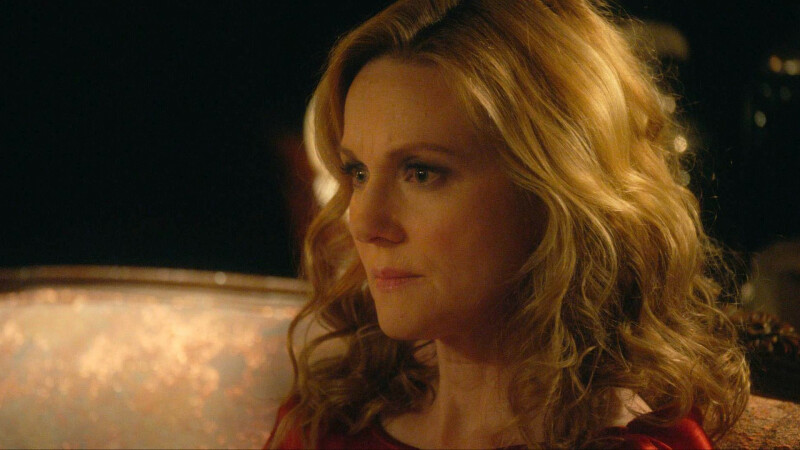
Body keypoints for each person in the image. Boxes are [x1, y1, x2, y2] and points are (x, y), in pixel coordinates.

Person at [267, 0, 750, 448]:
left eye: (421, 173)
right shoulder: (327, 425)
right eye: (358, 172)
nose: (364, 221)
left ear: (553, 193)